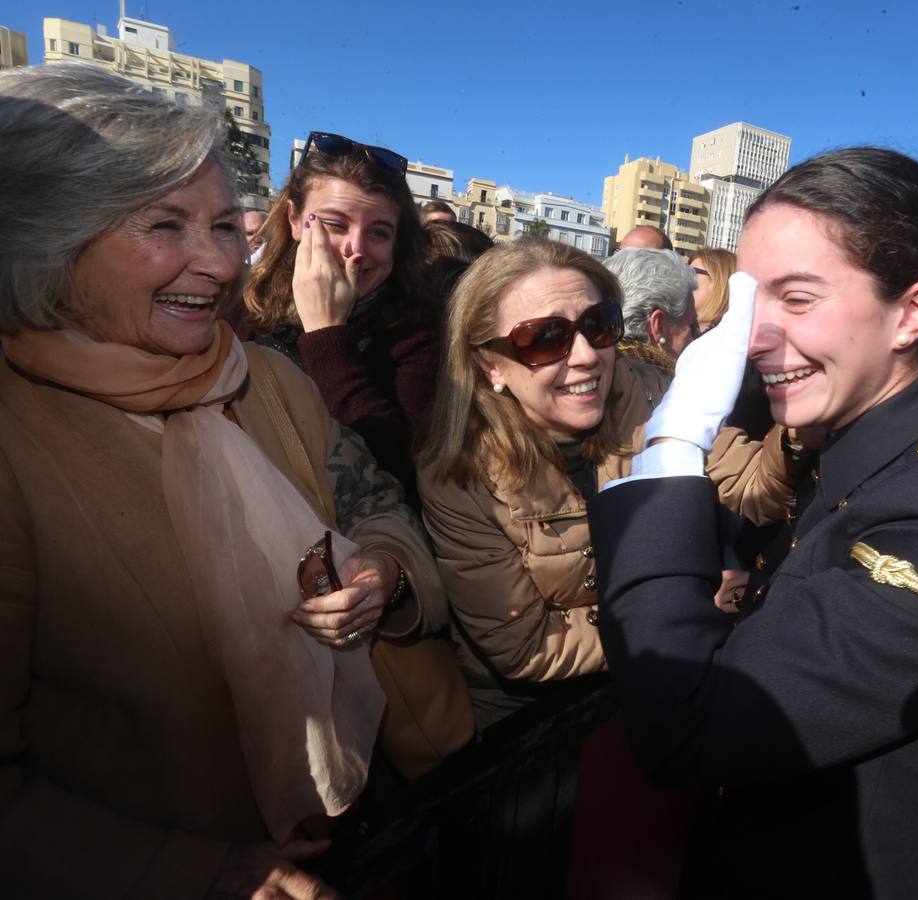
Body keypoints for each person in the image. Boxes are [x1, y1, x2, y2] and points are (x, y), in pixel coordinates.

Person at [0, 64, 457, 898]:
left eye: (220, 226)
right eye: (166, 225)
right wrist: (201, 874)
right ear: (47, 237)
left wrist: (381, 575)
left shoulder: (265, 379)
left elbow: (383, 505)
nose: (215, 264)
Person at [585, 147, 918, 898]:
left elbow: (690, 727)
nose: (752, 336)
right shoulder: (864, 448)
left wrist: (675, 439)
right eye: (751, 300)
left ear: (912, 311)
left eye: (798, 297)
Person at [415, 238, 793, 727]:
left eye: (599, 326)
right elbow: (524, 647)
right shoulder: (457, 471)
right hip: (541, 725)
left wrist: (798, 415)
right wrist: (682, 607)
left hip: (666, 689)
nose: (586, 356)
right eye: (546, 338)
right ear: (490, 363)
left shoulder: (652, 390)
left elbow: (753, 489)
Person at [245, 130, 436, 500]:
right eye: (335, 224)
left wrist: (327, 335)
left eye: (378, 232)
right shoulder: (244, 310)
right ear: (295, 219)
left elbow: (397, 473)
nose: (356, 249)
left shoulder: (420, 334)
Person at [602, 247, 702, 374]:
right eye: (691, 326)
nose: (695, 339)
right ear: (658, 326)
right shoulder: (663, 388)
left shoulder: (592, 368)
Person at [691, 246, 736, 330]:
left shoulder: (729, 339)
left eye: (691, 272)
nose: (683, 277)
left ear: (719, 282)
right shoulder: (680, 335)